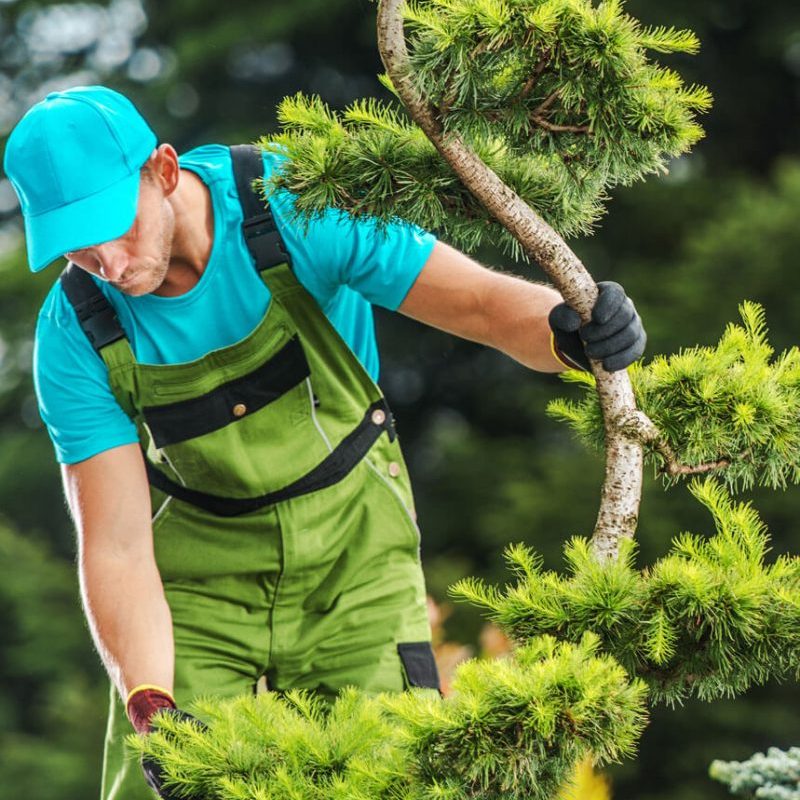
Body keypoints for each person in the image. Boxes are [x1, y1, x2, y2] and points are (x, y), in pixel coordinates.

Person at [3, 85, 645, 800]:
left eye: (115, 229)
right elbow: (117, 547)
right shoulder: (76, 334)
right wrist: (152, 704)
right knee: (160, 783)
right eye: (80, 251)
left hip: (355, 563)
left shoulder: (295, 204)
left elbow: (478, 304)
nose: (111, 267)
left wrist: (568, 330)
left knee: (396, 778)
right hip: (200, 597)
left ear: (162, 170)